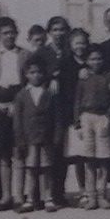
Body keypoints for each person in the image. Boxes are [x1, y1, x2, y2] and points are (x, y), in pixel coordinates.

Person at [0, 17, 29, 209]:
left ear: (17, 33)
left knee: (19, 150)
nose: (9, 36)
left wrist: (17, 105)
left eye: (12, 32)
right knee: (3, 152)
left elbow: (29, 83)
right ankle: (5, 196)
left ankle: (19, 195)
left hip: (20, 101)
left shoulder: (25, 54)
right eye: (5, 33)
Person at [73, 45, 110, 210]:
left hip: (103, 118)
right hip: (86, 118)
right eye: (92, 59)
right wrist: (77, 123)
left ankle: (102, 195)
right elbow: (77, 102)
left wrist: (109, 116)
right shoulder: (83, 78)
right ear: (86, 61)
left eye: (99, 58)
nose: (96, 62)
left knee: (103, 159)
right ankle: (91, 196)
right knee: (89, 160)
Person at [12, 55, 58, 213]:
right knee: (31, 169)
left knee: (46, 168)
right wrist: (20, 140)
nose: (36, 75)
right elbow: (17, 121)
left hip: (46, 137)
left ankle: (48, 198)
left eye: (39, 72)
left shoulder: (49, 94)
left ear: (43, 74)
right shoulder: (21, 95)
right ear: (26, 75)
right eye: (32, 72)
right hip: (29, 138)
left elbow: (56, 117)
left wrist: (56, 136)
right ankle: (30, 199)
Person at [36, 16, 71, 202]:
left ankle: (60, 191)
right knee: (49, 149)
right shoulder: (42, 52)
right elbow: (35, 75)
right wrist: (51, 78)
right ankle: (46, 193)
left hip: (65, 105)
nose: (59, 33)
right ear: (49, 32)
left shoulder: (69, 50)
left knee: (62, 149)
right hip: (48, 106)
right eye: (55, 30)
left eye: (62, 29)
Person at [59, 28, 91, 204]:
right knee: (78, 155)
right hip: (74, 114)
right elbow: (65, 91)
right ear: (71, 45)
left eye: (83, 42)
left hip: (92, 113)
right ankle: (82, 189)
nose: (80, 46)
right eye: (76, 43)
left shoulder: (92, 62)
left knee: (91, 154)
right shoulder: (66, 64)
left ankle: (92, 187)